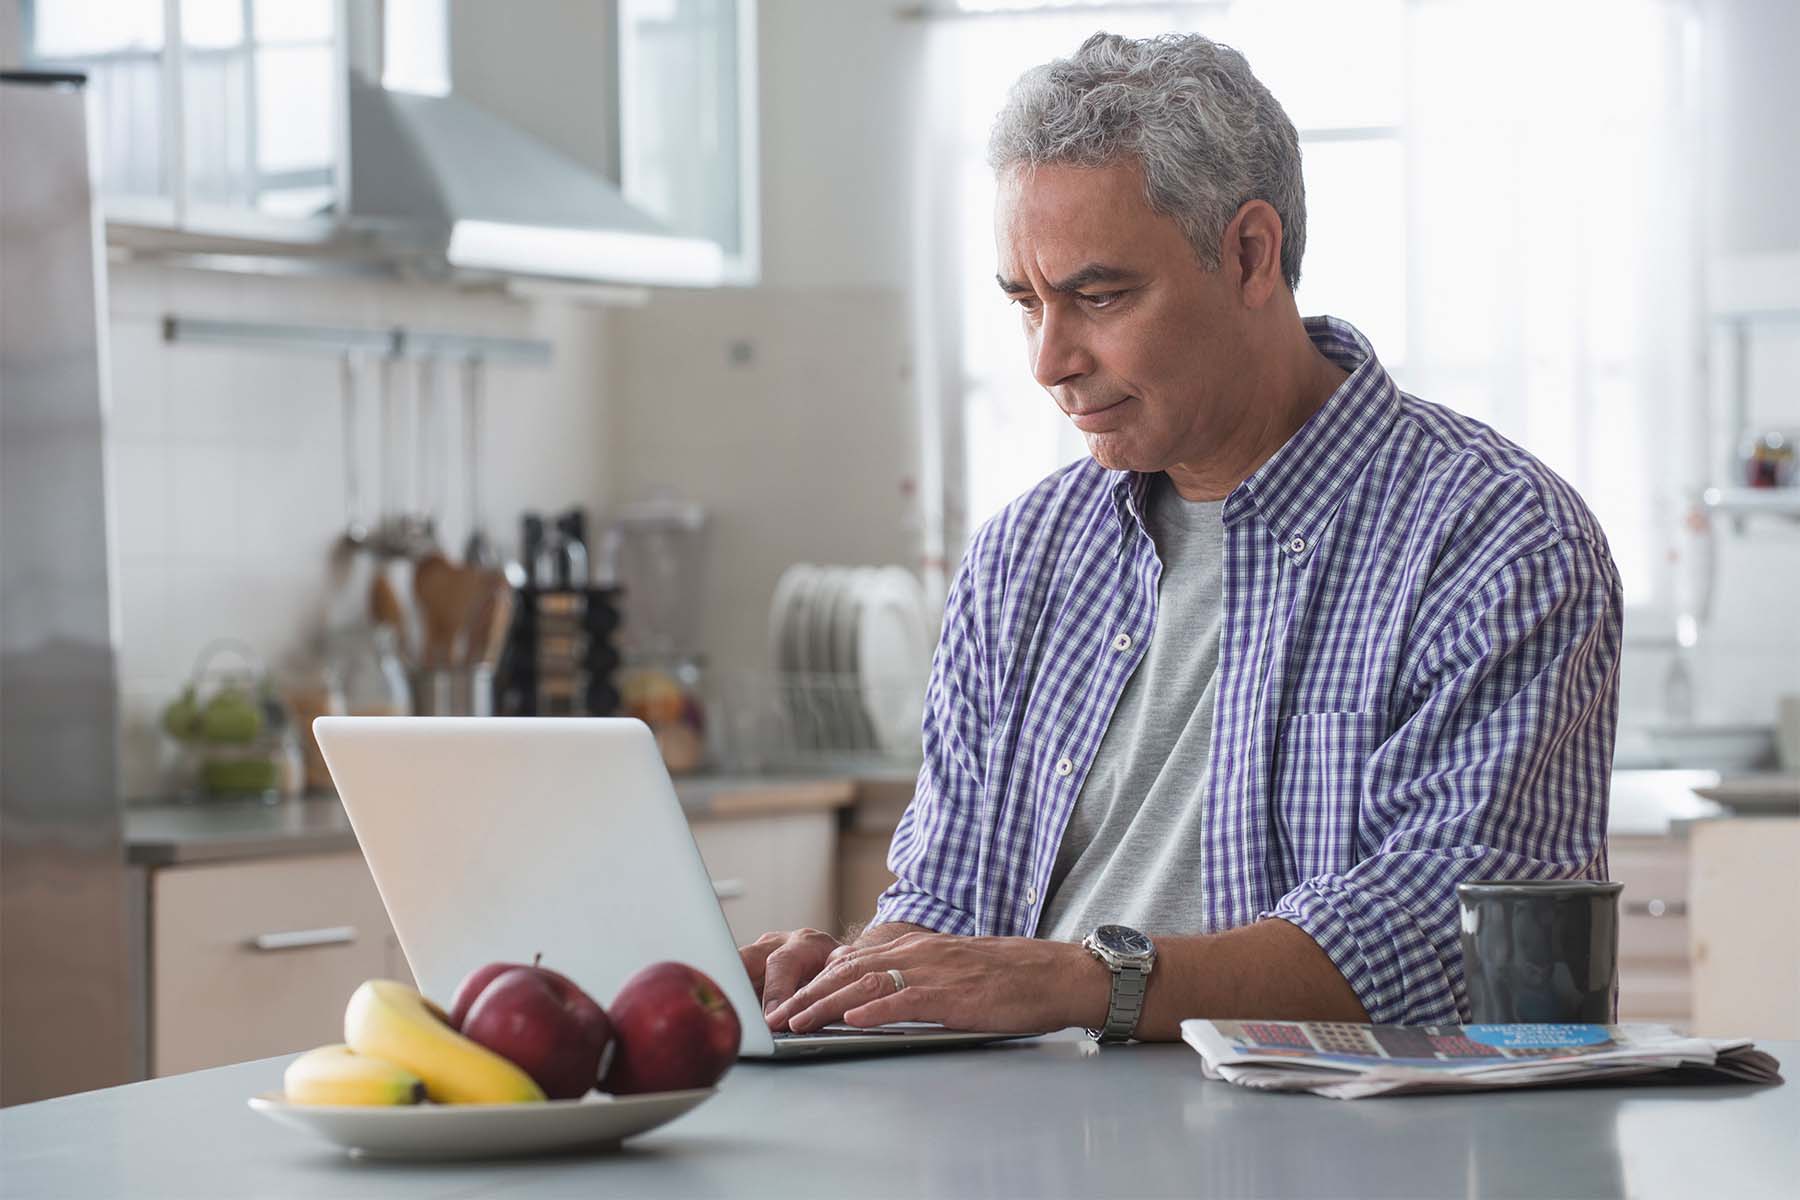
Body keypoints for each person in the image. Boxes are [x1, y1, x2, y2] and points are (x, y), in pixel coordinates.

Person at [747, 30, 1621, 1043]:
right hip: (1021, 1144)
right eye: (1025, 302)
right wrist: (862, 973)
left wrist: (1086, 982)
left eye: (1098, 295)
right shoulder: (1023, 556)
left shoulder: (1498, 541)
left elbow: (1445, 942)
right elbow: (952, 895)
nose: (1048, 360)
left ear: (1251, 253)